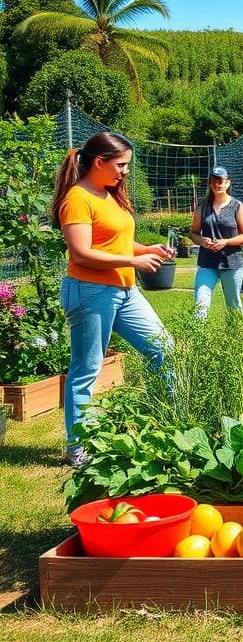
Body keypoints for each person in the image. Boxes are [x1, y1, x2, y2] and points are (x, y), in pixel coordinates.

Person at [51, 132, 174, 467]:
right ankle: (78, 446)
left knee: (162, 347)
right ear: (98, 162)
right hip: (90, 291)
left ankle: (168, 418)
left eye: (127, 165)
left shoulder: (109, 196)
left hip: (124, 290)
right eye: (121, 165)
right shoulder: (78, 198)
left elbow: (114, 242)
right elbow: (81, 252)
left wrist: (147, 250)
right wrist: (133, 262)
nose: (126, 171)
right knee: (87, 368)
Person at [189, 166, 243, 317]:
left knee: (233, 305)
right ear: (210, 183)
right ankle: (196, 338)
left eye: (221, 181)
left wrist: (226, 242)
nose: (217, 184)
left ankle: (237, 336)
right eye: (214, 181)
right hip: (207, 263)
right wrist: (202, 241)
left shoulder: (237, 206)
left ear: (228, 183)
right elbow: (193, 233)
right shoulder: (202, 207)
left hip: (231, 263)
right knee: (200, 303)